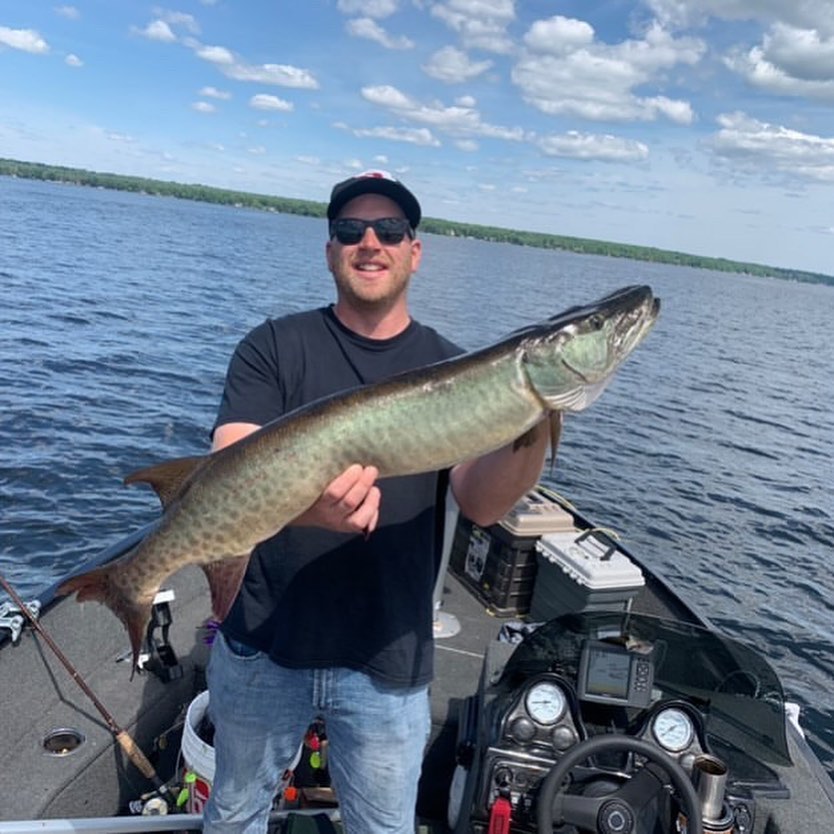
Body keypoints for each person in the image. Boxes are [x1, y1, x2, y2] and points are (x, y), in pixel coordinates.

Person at [203, 170, 548, 834]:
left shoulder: (453, 369)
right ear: (330, 249)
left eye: (390, 230)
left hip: (387, 658)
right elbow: (228, 468)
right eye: (349, 230)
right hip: (264, 646)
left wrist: (537, 417)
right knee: (236, 814)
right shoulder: (272, 347)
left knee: (384, 827)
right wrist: (310, 508)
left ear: (414, 251)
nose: (370, 242)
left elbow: (480, 502)